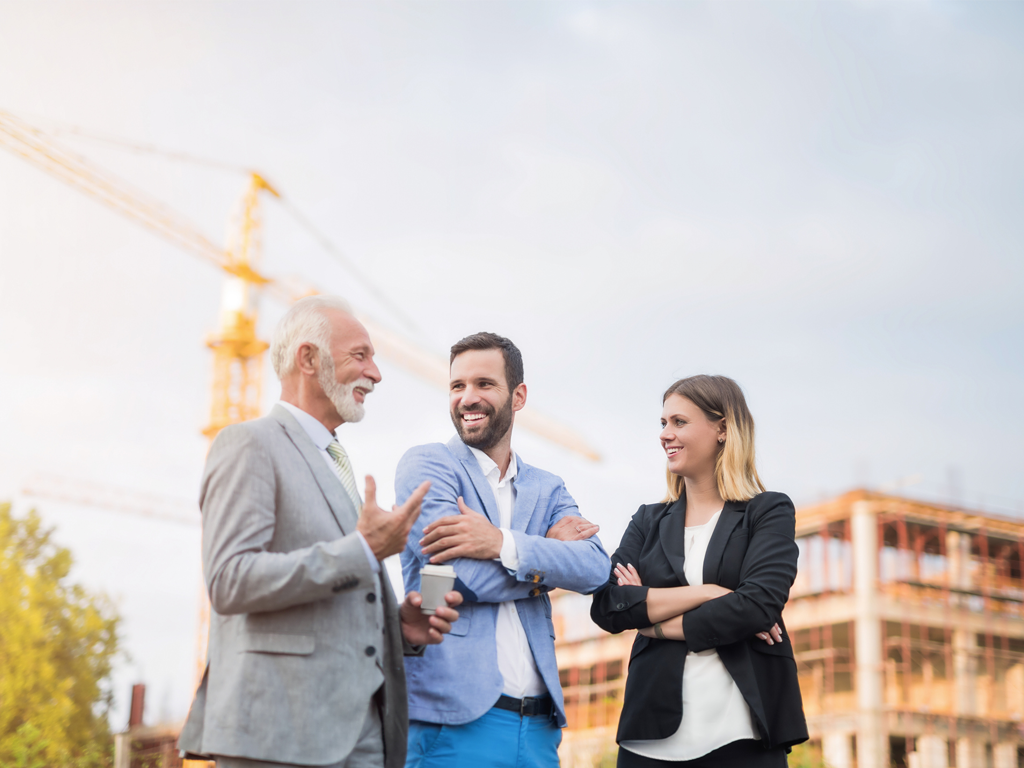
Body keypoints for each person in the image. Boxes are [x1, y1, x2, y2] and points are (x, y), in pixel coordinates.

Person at [178, 295, 462, 768]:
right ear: (308, 359)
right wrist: (363, 550)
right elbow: (230, 580)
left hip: (362, 734)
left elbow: (334, 595)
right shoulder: (247, 444)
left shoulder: (336, 465)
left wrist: (399, 624)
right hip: (280, 733)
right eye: (360, 355)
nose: (376, 373)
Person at [394, 332, 610, 768]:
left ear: (518, 396)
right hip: (452, 724)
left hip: (539, 729)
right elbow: (460, 577)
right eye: (457, 386)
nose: (467, 398)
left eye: (483, 384)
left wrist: (500, 544)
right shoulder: (428, 465)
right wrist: (547, 555)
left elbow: (594, 568)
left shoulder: (547, 487)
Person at [591, 375, 808, 768]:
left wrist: (652, 622)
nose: (665, 434)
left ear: (723, 428)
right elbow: (609, 605)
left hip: (741, 733)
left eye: (679, 422)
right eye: (662, 424)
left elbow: (757, 607)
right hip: (649, 738)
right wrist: (710, 592)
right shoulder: (648, 520)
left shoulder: (768, 512)